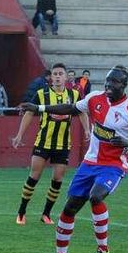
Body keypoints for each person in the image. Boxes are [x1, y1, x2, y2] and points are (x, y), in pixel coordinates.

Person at [24, 66, 128, 253]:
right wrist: (39, 108)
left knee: (96, 196)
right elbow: (71, 109)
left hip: (113, 165)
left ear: (124, 85)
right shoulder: (94, 98)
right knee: (69, 208)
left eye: (114, 82)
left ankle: (103, 249)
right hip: (89, 163)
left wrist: (126, 142)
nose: (109, 85)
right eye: (107, 80)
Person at [12, 63, 89, 226]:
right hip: (43, 142)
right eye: (55, 74)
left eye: (61, 73)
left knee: (57, 179)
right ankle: (21, 212)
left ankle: (46, 214)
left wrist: (87, 130)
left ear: (66, 77)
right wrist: (19, 134)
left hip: (62, 144)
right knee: (34, 177)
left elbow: (82, 111)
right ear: (51, 77)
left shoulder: (74, 95)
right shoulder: (42, 94)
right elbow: (29, 112)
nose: (58, 77)